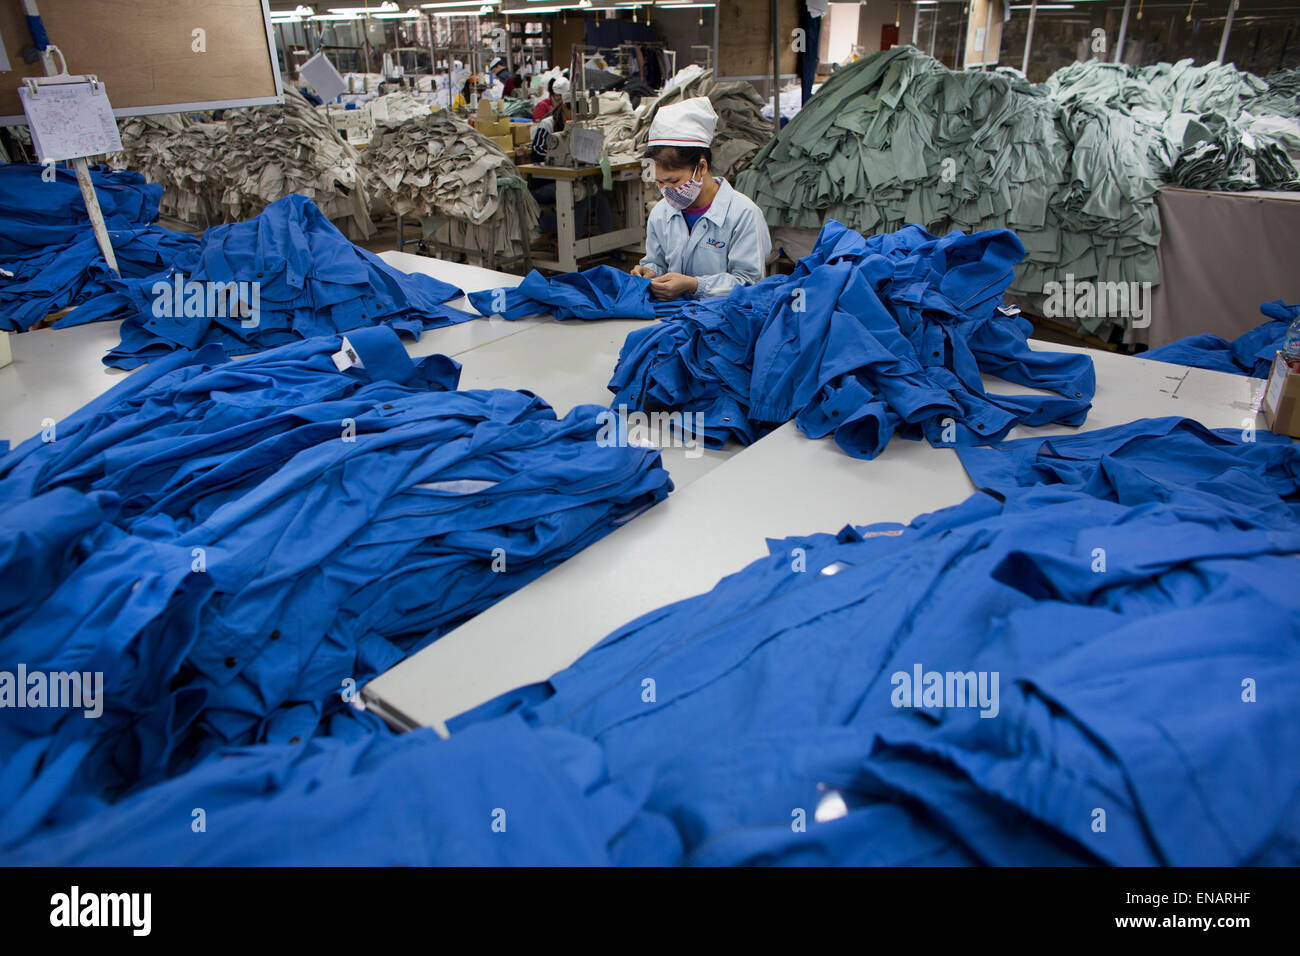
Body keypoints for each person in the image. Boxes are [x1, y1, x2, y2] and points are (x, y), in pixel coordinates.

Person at [631, 97, 771, 300]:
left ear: (701, 167)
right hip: (672, 314)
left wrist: (695, 285)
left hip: (722, 321)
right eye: (659, 183)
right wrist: (649, 271)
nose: (666, 191)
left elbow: (750, 284)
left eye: (673, 181)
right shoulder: (661, 213)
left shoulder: (743, 214)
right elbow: (657, 262)